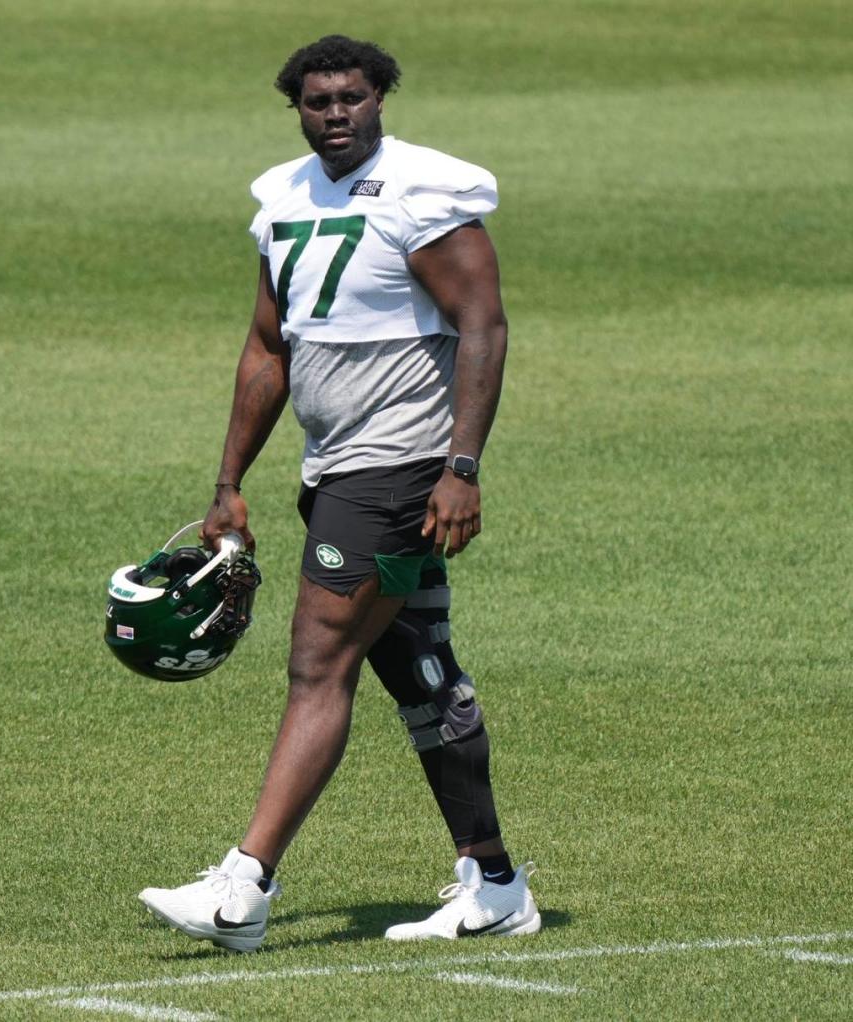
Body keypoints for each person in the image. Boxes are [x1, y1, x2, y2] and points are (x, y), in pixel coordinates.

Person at [138, 34, 540, 951]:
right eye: (318, 101)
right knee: (419, 669)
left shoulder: (427, 194)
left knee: (319, 664)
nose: (336, 114)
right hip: (331, 469)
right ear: (299, 108)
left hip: (398, 472)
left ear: (380, 99)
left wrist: (461, 466)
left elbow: (483, 323)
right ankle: (497, 883)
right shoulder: (281, 199)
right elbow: (269, 349)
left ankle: (243, 891)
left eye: (352, 98)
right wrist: (229, 482)